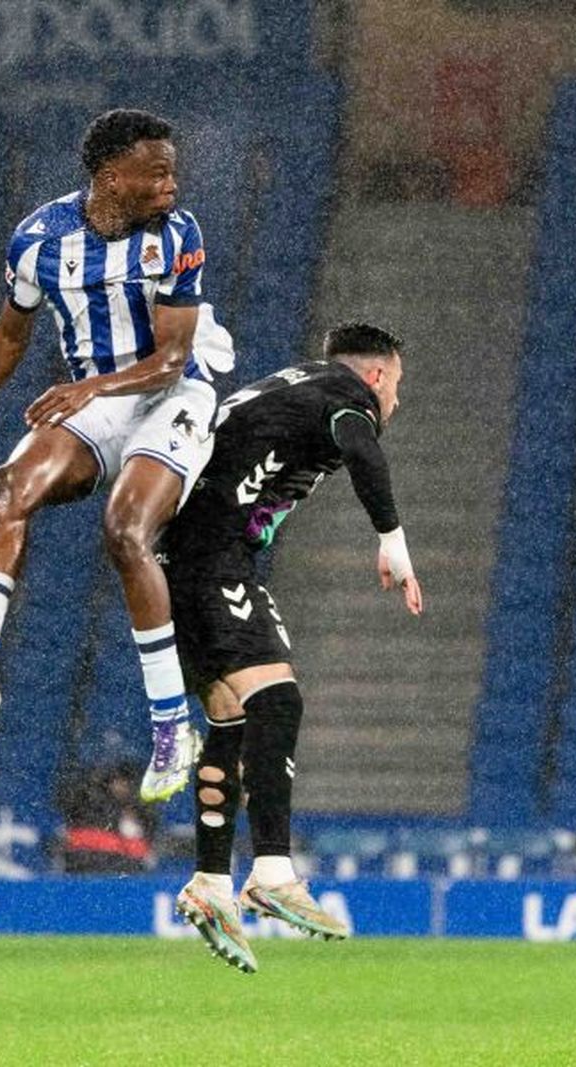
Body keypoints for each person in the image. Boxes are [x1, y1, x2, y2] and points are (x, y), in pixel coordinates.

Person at [0, 108, 236, 804]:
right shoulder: (38, 239)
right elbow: (8, 333)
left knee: (125, 529)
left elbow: (173, 356)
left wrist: (88, 385)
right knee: (9, 486)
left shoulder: (177, 235)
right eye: (157, 172)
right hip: (99, 399)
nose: (171, 184)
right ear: (112, 178)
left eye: (173, 170)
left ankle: (173, 726)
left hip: (175, 393)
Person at [166, 323, 422, 973]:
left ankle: (210, 881)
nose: (394, 405)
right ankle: (274, 872)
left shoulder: (290, 387)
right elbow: (361, 449)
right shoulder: (344, 392)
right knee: (277, 699)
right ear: (378, 375)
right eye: (396, 388)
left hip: (170, 554)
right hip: (213, 554)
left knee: (230, 715)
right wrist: (391, 537)